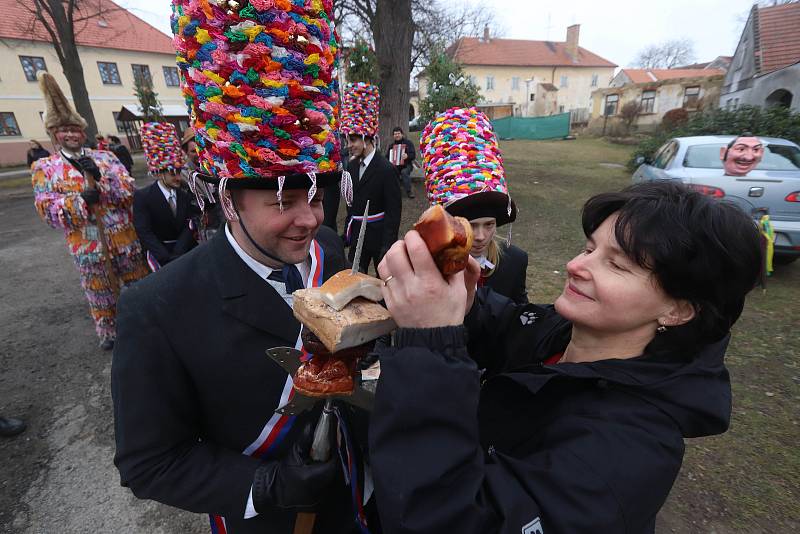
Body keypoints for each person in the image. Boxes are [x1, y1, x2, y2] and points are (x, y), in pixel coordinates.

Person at [113, 3, 379, 533]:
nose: (309, 219)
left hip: (359, 496)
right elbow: (148, 462)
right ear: (228, 200)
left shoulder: (330, 249)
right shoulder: (157, 308)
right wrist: (266, 486)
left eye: (316, 195)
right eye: (282, 201)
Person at [370, 181, 762, 533]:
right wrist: (464, 302)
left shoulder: (627, 454)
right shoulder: (560, 331)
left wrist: (431, 345)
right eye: (589, 248)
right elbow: (503, 322)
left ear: (678, 310)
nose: (575, 266)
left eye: (616, 264)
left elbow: (450, 519)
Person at [31, 72, 148, 351]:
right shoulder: (45, 169)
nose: (70, 134)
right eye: (64, 130)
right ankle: (110, 332)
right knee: (100, 290)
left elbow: (128, 191)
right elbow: (47, 210)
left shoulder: (105, 158)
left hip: (124, 241)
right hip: (88, 245)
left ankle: (146, 326)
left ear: (82, 132)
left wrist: (103, 182)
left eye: (74, 129)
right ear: (54, 135)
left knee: (138, 286)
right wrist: (80, 200)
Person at [421, 108, 528, 304]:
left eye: (489, 225)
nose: (480, 237)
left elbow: (519, 317)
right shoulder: (430, 266)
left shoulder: (515, 262)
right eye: (470, 225)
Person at [341, 82, 401, 274]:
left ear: (367, 138)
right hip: (357, 238)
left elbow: (393, 211)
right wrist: (346, 234)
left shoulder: (386, 169)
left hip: (379, 239)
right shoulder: (350, 166)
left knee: (384, 287)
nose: (349, 145)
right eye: (347, 140)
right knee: (353, 283)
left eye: (353, 140)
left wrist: (387, 245)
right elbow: (351, 204)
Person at [134, 122, 198, 270]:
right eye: (172, 173)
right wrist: (164, 256)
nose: (177, 177)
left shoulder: (184, 195)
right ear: (160, 173)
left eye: (178, 172)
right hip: (160, 256)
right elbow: (144, 231)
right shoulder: (144, 197)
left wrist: (178, 251)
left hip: (184, 252)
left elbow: (189, 224)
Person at [386, 127, 416, 199]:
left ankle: (409, 191)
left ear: (402, 134)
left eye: (398, 133)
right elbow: (387, 157)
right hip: (395, 166)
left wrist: (407, 156)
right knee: (390, 172)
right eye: (395, 134)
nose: (397, 135)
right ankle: (393, 191)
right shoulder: (391, 146)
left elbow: (413, 155)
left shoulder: (408, 143)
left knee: (404, 172)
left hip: (407, 165)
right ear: (393, 136)